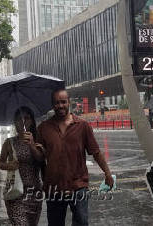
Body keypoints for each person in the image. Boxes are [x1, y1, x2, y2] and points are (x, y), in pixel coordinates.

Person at [36, 89, 114, 226]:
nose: (60, 106)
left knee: (82, 222)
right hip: (54, 188)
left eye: (63, 102)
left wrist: (107, 173)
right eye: (56, 103)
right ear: (52, 105)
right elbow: (39, 159)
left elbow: (95, 152)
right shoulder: (44, 128)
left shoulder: (82, 126)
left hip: (78, 186)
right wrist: (32, 145)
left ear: (69, 102)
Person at [0, 106, 44, 226]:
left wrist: (32, 145)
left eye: (26, 118)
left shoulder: (38, 140)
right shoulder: (9, 142)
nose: (23, 122)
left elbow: (41, 161)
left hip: (35, 194)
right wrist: (10, 165)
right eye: (19, 119)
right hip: (15, 194)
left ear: (32, 121)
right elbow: (1, 163)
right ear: (15, 122)